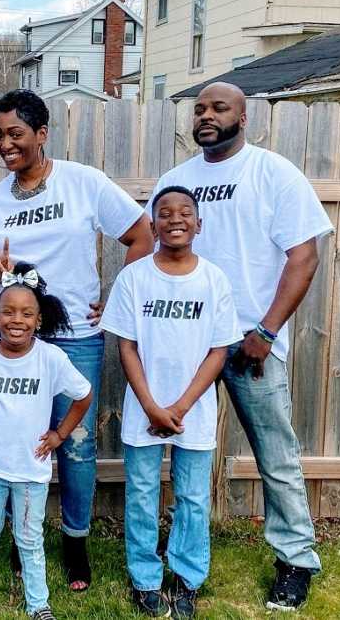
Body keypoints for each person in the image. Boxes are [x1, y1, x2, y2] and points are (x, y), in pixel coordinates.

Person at [146, 82, 333, 611]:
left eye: (219, 108)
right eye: (200, 108)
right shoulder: (175, 181)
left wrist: (267, 331)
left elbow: (305, 257)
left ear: (244, 117)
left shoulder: (272, 173)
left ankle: (295, 559)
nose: (206, 115)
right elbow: (152, 250)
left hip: (252, 343)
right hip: (185, 342)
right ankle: (181, 551)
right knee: (179, 451)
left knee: (276, 454)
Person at [0, 89, 153, 590]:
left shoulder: (83, 183)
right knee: (14, 441)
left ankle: (74, 542)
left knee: (75, 444)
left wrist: (116, 298)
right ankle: (23, 541)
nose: (6, 144)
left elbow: (142, 235)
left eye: (16, 134)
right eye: (0, 135)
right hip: (9, 340)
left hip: (73, 337)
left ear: (41, 135)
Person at [101, 186, 240, 619]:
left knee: (193, 497)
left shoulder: (213, 279)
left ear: (199, 224)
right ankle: (145, 576)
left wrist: (179, 407)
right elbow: (126, 347)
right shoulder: (135, 277)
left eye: (184, 212)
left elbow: (219, 350)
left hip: (193, 411)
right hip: (145, 408)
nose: (175, 218)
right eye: (164, 213)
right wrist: (151, 406)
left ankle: (187, 575)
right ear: (154, 224)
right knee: (142, 494)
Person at [0, 263, 93, 620]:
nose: (17, 320)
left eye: (27, 313)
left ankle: (38, 604)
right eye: (7, 312)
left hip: (31, 471)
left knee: (29, 538)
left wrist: (59, 434)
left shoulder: (51, 358)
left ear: (39, 321)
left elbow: (83, 396)